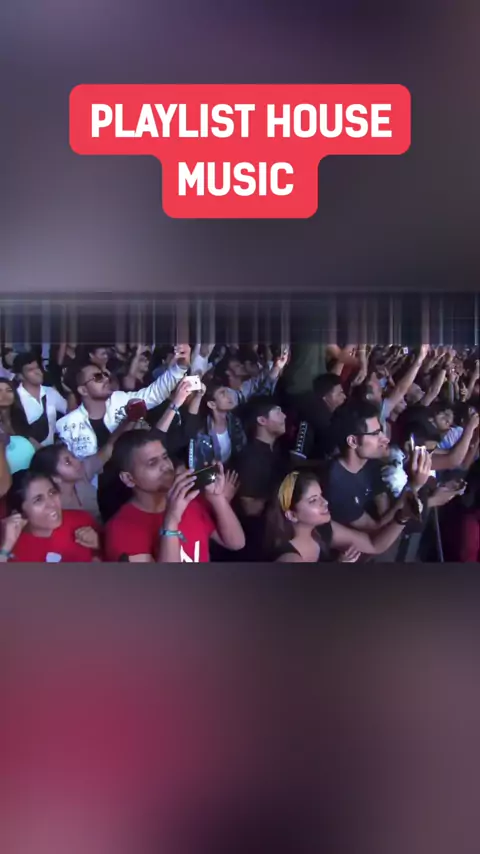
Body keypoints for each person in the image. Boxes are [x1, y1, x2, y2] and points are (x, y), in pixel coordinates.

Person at [104, 430, 245, 562]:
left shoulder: (189, 500)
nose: (165, 466)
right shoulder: (121, 528)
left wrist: (217, 498)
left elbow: (236, 543)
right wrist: (171, 522)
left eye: (165, 457)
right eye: (152, 463)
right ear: (128, 478)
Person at [56, 344, 191, 458]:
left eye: (104, 375)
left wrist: (180, 367)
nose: (105, 379)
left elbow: (154, 393)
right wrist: (128, 422)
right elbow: (87, 468)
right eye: (97, 377)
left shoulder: (119, 399)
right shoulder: (68, 425)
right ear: (83, 390)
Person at [266, 471, 424, 563]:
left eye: (321, 496)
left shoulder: (322, 529)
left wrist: (403, 516)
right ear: (292, 515)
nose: (325, 502)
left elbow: (373, 545)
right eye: (313, 500)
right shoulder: (288, 557)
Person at [0, 471, 100, 562]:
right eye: (38, 500)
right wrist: (6, 547)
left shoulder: (82, 520)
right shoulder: (10, 545)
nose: (52, 503)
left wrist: (99, 544)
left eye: (52, 493)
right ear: (19, 511)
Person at [14, 352, 67, 446]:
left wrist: (70, 393)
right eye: (30, 370)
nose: (37, 372)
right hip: (26, 450)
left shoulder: (50, 392)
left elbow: (69, 412)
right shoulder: (15, 397)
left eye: (37, 367)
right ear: (20, 376)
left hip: (50, 450)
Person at [0, 378, 37, 473]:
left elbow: (34, 443)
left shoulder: (19, 420)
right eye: (0, 391)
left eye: (9, 390)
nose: (4, 395)